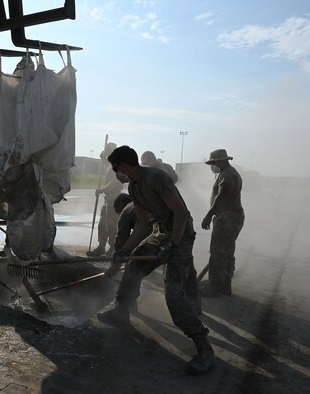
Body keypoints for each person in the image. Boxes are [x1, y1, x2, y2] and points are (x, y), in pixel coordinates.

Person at [99, 145, 214, 375]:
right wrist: (125, 250)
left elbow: (181, 214)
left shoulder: (156, 177)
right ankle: (121, 311)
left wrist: (173, 246)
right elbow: (142, 224)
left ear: (124, 165)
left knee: (172, 292)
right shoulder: (133, 186)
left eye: (115, 167)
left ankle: (204, 349)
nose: (114, 171)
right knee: (134, 265)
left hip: (180, 234)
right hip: (159, 233)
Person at [200, 149, 244, 297]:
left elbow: (222, 195)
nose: (212, 166)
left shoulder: (228, 175)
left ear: (220, 161)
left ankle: (215, 285)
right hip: (229, 217)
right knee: (226, 251)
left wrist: (208, 215)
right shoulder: (226, 173)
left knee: (219, 252)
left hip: (227, 217)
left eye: (213, 163)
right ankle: (224, 285)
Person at [88, 142, 124, 257]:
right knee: (103, 222)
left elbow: (114, 182)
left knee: (111, 224)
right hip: (108, 198)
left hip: (114, 197)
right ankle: (101, 246)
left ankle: (113, 247)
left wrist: (101, 189)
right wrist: (103, 159)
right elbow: (107, 168)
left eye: (108, 151)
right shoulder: (111, 164)